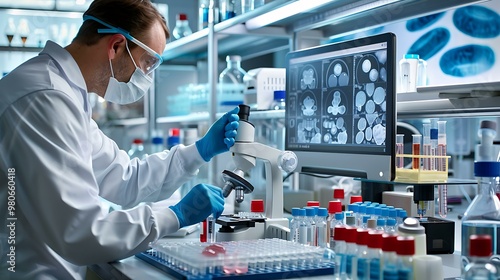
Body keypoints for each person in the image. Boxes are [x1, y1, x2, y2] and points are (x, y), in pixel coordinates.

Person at [0, 0, 239, 279]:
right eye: (148, 63)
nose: (147, 78)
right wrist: (175, 215)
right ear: (115, 46)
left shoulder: (63, 93)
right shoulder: (44, 97)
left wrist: (198, 151)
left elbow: (123, 177)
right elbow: (81, 232)